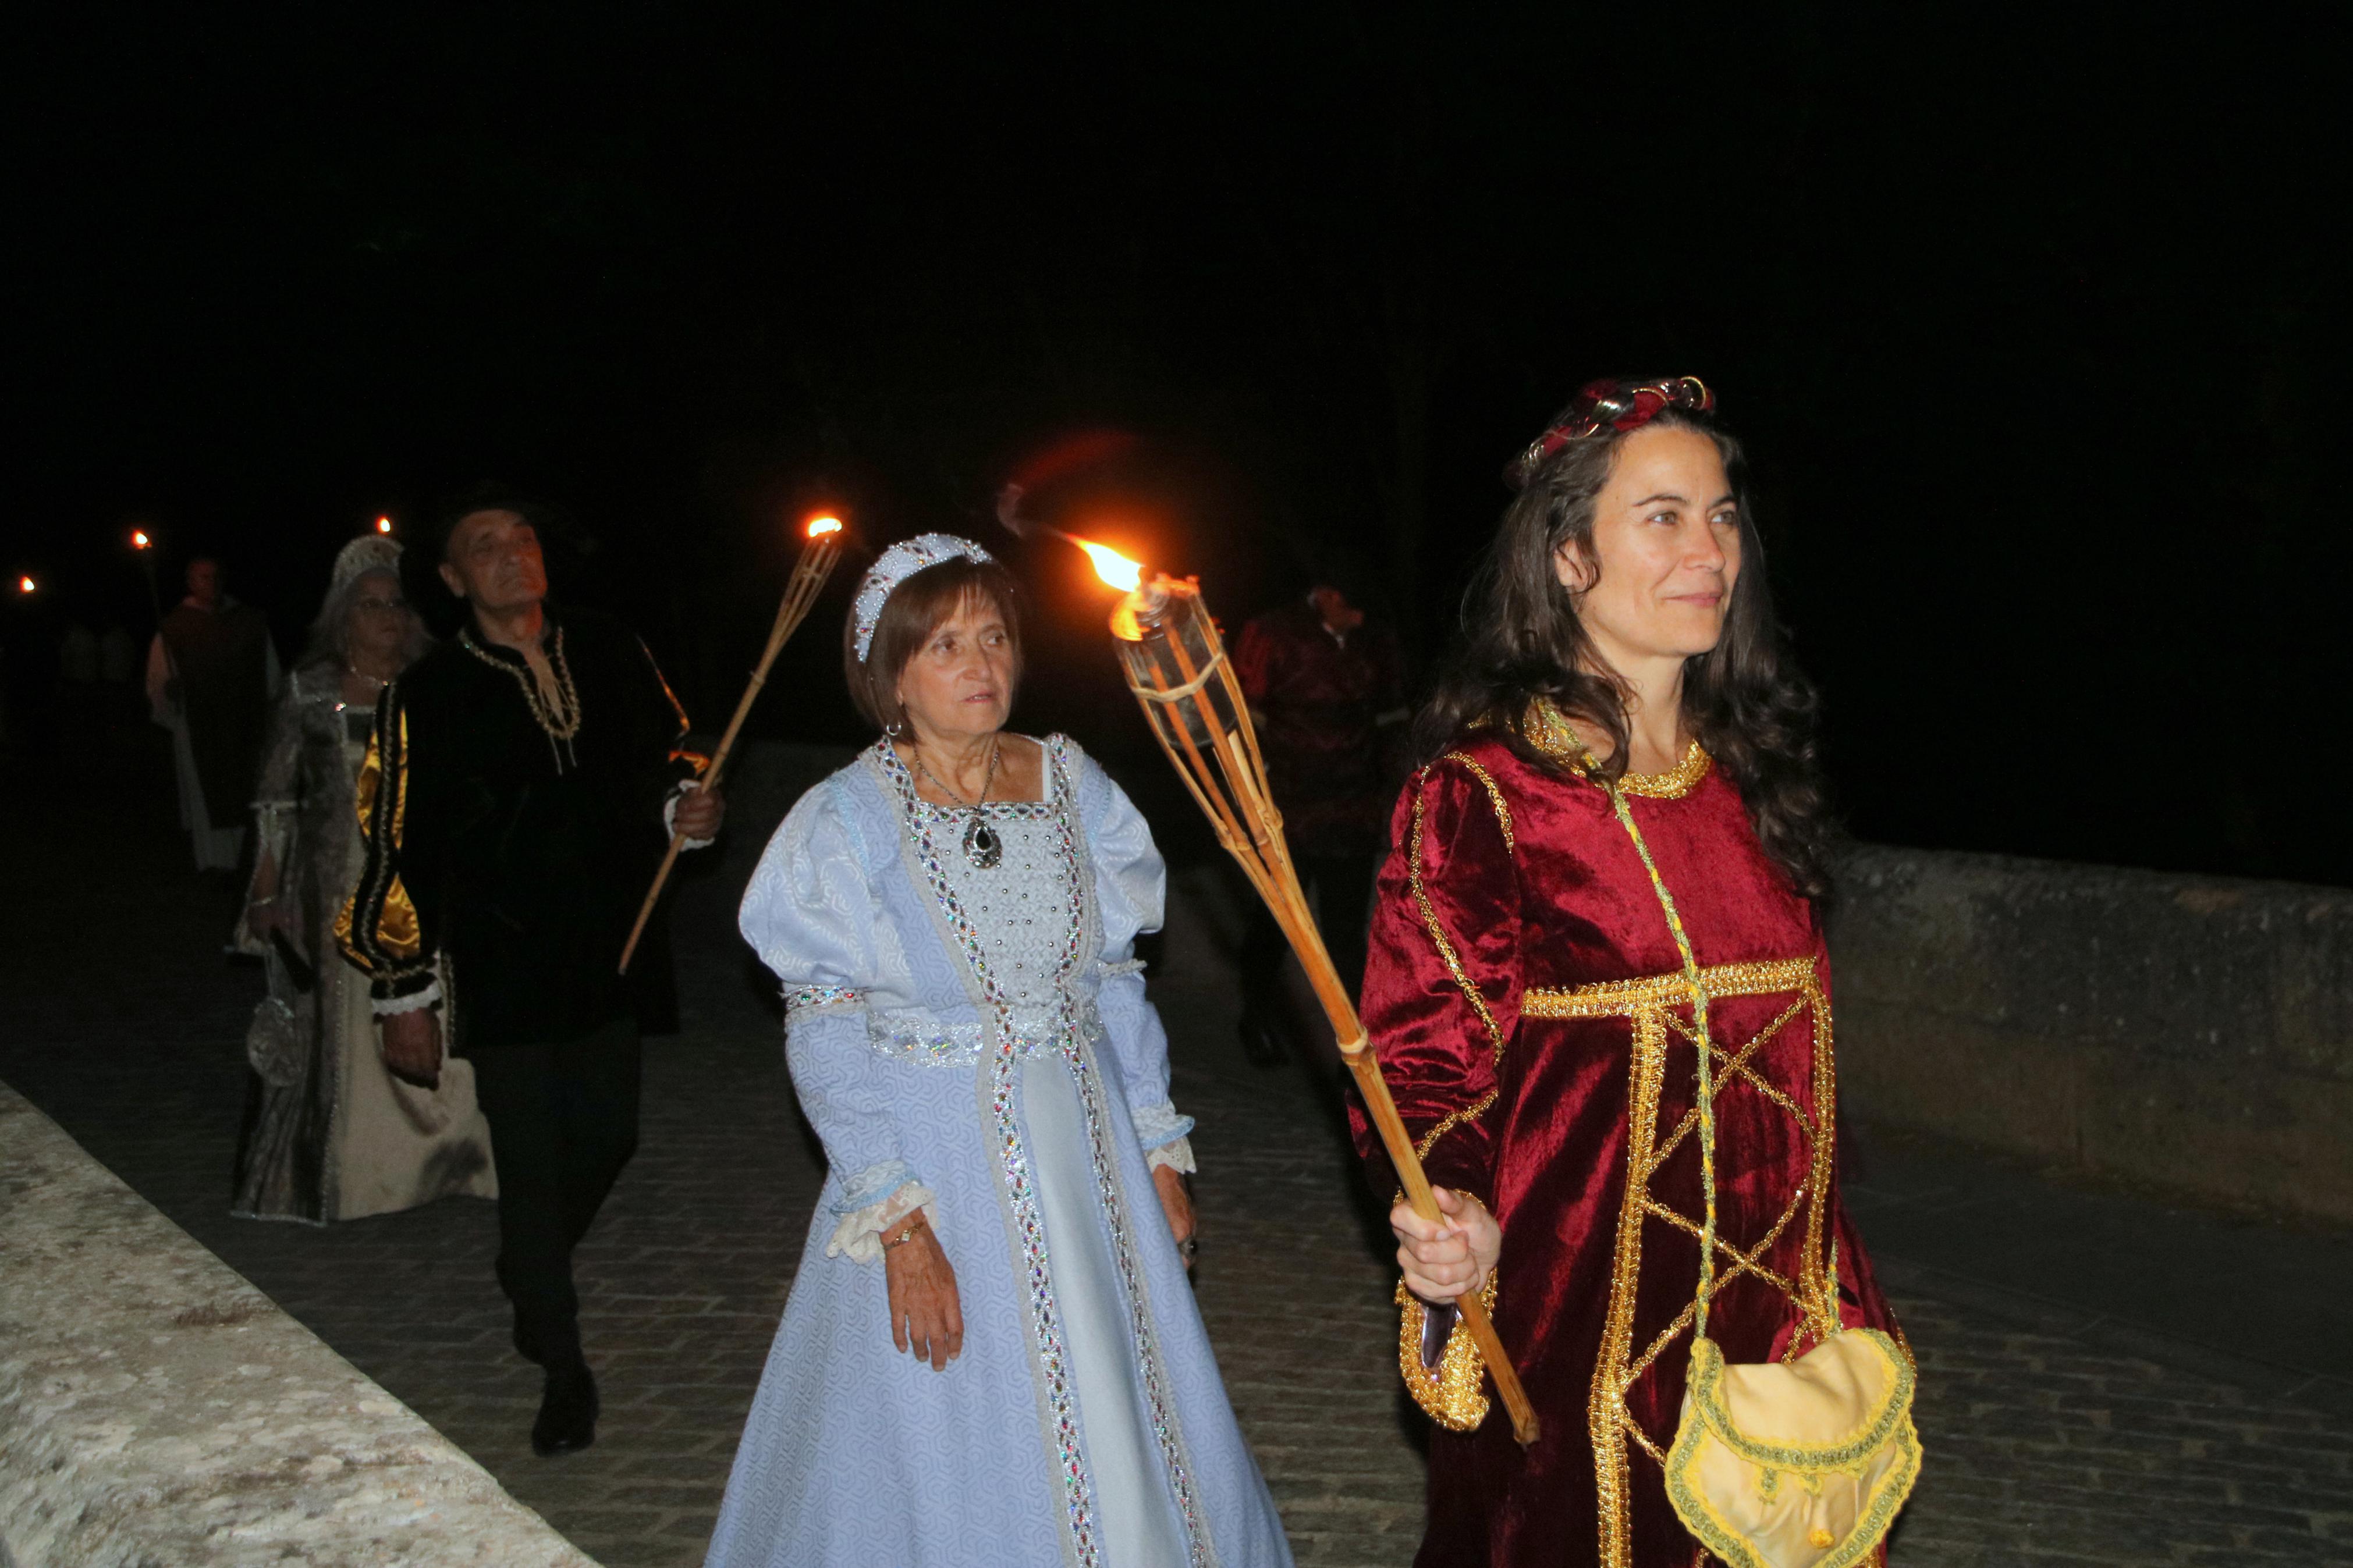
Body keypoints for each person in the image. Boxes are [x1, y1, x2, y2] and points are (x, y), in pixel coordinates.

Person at [1358, 379, 1904, 1567]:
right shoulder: (1481, 793)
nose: (1706, 550)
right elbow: (1423, 1056)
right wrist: (1444, 1199)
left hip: (1779, 1307)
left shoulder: (1752, 777)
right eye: (1658, 516)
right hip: (1584, 1316)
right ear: (1565, 556)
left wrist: (1836, 1289)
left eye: (1718, 515)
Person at [708, 535, 1292, 1568]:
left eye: (992, 637)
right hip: (936, 1166)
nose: (979, 666)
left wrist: (1158, 1145)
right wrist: (897, 1224)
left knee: (1126, 1393)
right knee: (953, 1415)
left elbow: (1114, 980)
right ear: (888, 678)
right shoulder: (844, 822)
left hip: (1089, 1153)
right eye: (942, 646)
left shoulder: (1072, 783)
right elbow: (824, 1028)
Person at [337, 492, 724, 1457]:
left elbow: (668, 748)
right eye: (485, 547)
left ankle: (526, 1262)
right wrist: (402, 989)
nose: (512, 555)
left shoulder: (607, 645)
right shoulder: (424, 694)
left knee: (609, 1136)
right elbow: (397, 846)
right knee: (533, 1162)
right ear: (454, 579)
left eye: (522, 539)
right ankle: (561, 1363)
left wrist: (685, 799)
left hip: (615, 941)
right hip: (505, 958)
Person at [232, 534, 497, 1224]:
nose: (386, 616)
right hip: (327, 886)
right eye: (370, 604)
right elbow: (274, 802)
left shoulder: (433, 688)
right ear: (343, 616)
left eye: (396, 604)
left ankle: (443, 1161)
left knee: (425, 1009)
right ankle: (350, 1175)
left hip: (412, 884)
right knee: (342, 1030)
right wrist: (264, 894)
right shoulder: (308, 692)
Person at [1232, 559, 1407, 1061]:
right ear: (1327, 595)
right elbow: (1244, 719)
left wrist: (1393, 788)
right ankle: (1258, 1016)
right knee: (1277, 921)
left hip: (1352, 806)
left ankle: (1353, 1048)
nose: (1359, 619)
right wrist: (1258, 788)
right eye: (1351, 608)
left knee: (1346, 935)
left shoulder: (1375, 638)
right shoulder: (1272, 634)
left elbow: (1393, 716)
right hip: (1287, 804)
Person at [148, 556, 281, 871]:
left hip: (245, 724)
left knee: (249, 786)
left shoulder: (248, 621)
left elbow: (270, 673)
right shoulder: (176, 627)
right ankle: (214, 863)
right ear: (191, 582)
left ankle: (252, 860)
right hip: (199, 726)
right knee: (208, 793)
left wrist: (273, 709)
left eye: (215, 576)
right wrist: (169, 693)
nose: (211, 583)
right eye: (203, 577)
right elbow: (159, 680)